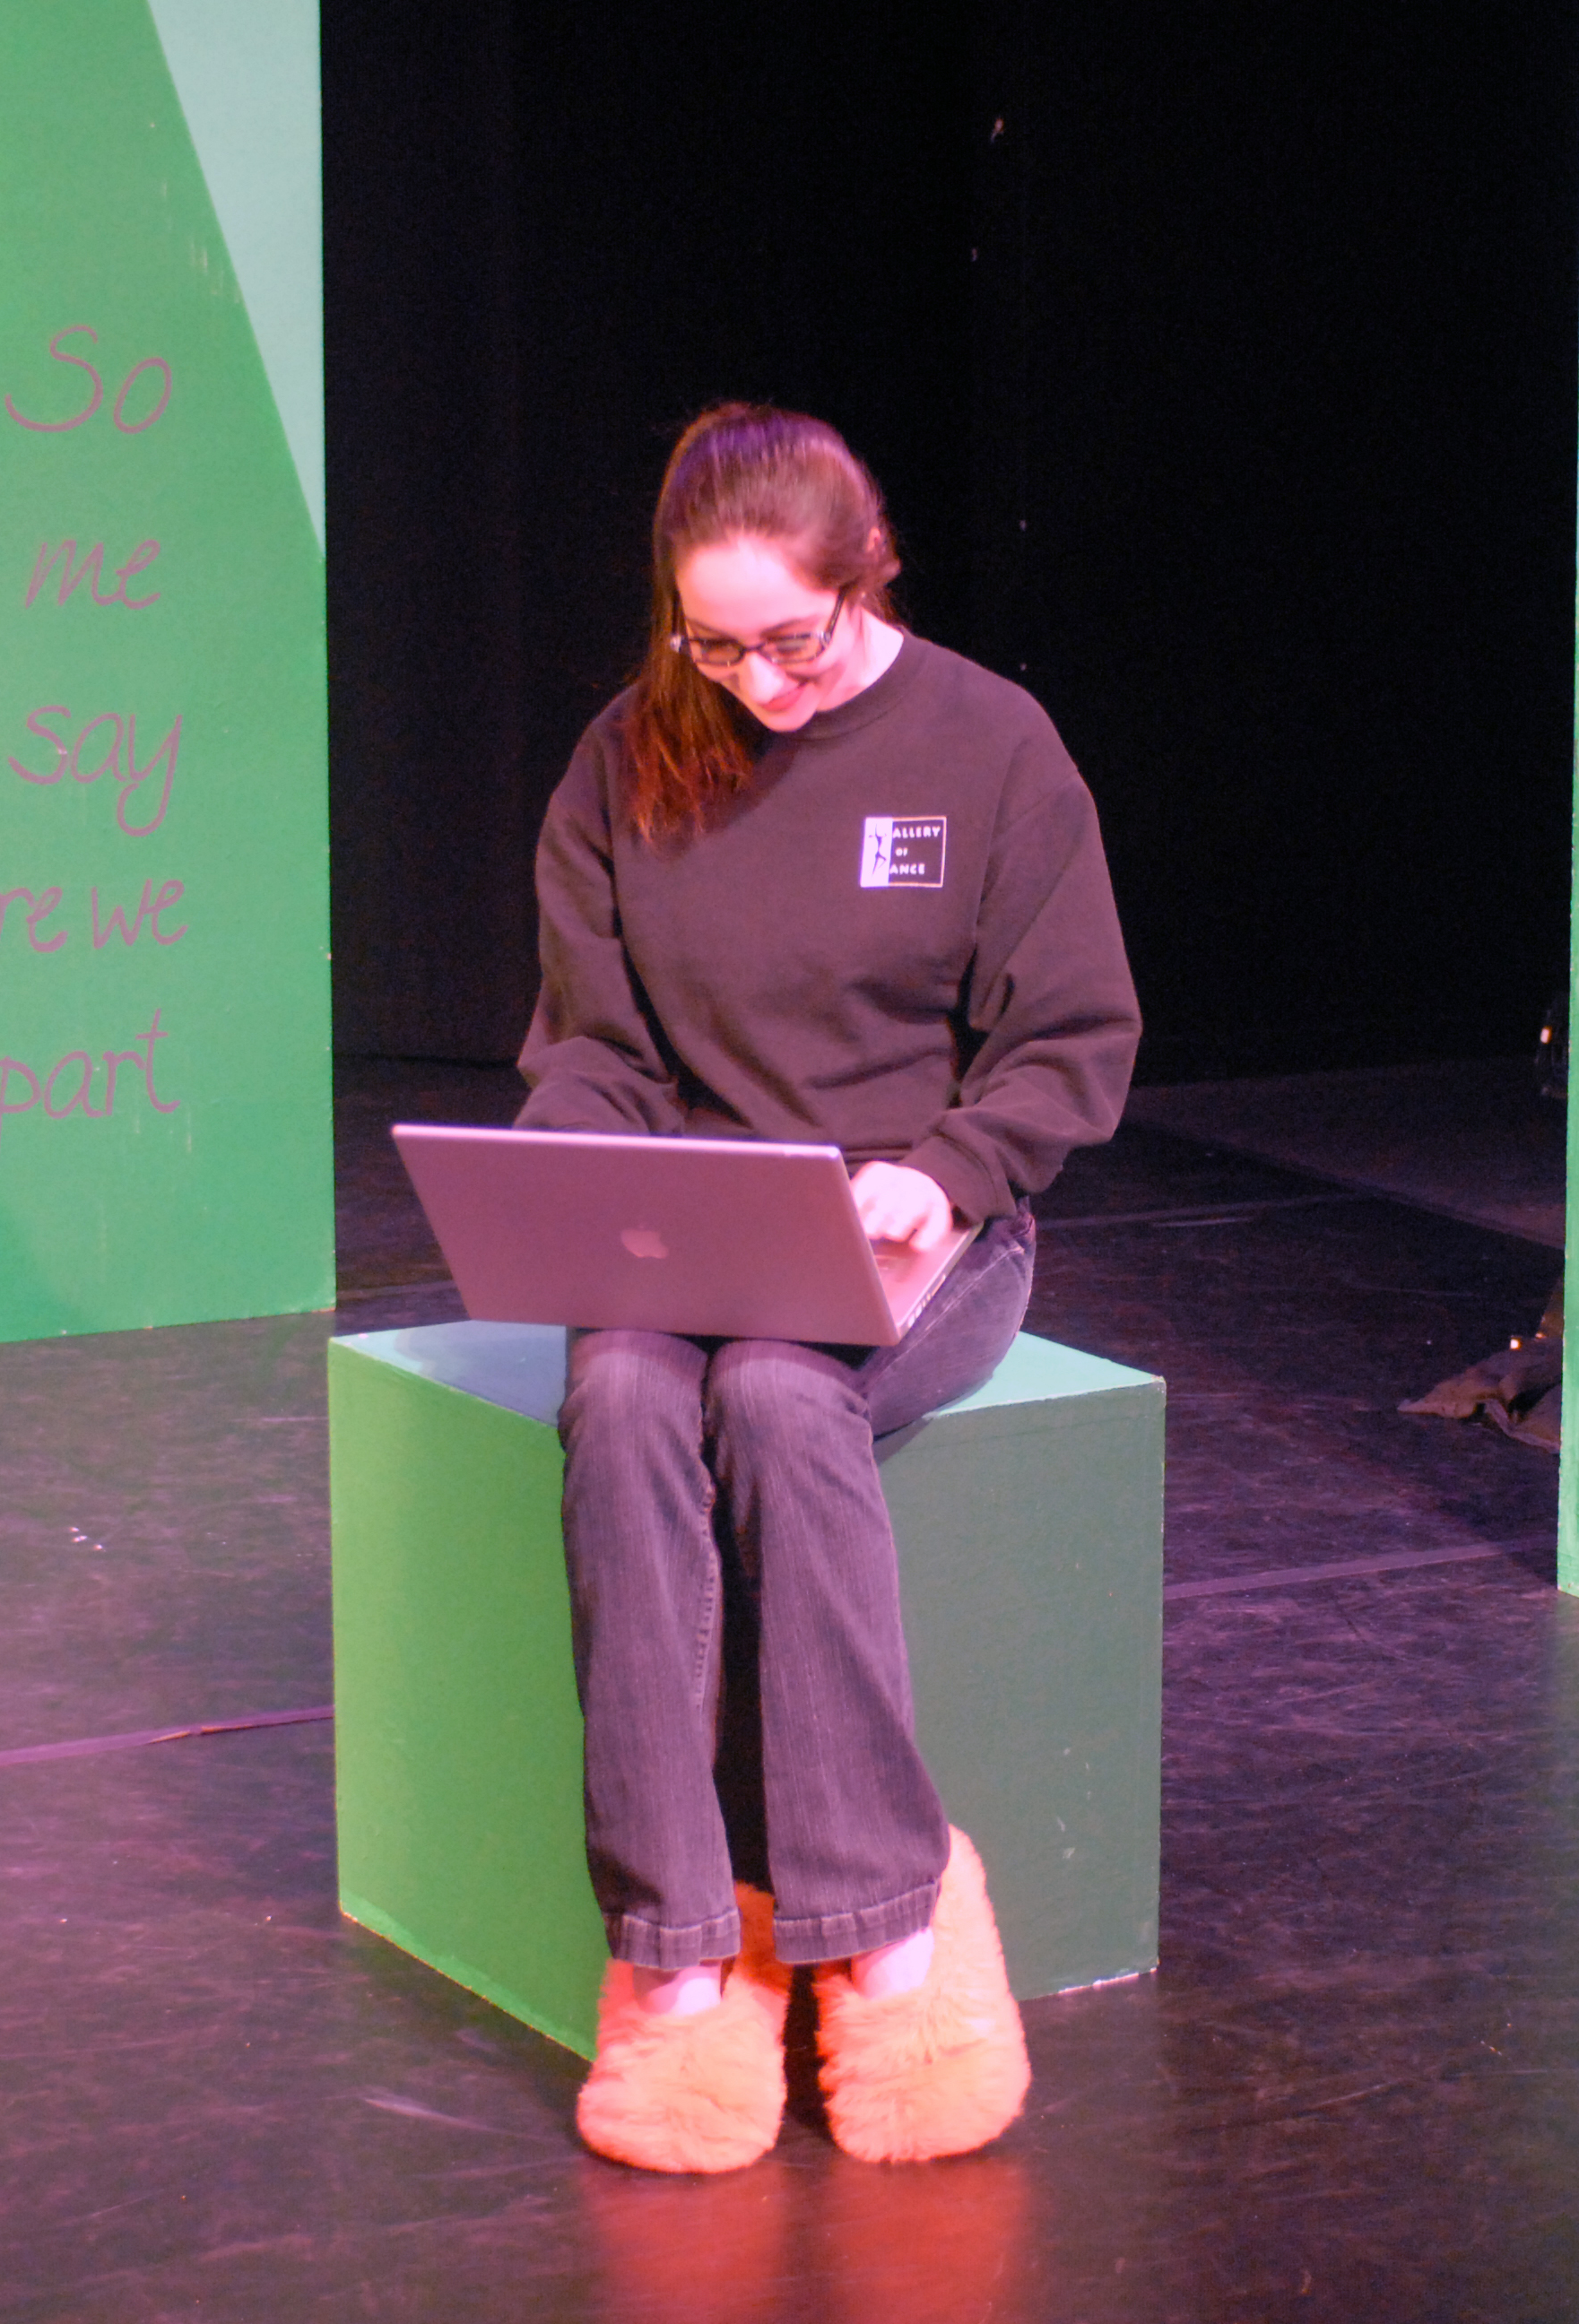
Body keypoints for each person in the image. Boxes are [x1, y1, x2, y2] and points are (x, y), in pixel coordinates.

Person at [516, 403, 1140, 2172]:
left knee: (784, 1392)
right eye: (710, 647)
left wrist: (945, 1173)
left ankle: (886, 1930)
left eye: (789, 641)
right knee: (623, 1392)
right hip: (696, 1224)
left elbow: (1070, 1040)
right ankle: (676, 1956)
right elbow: (592, 1045)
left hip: (922, 1228)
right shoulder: (630, 757)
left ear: (870, 576)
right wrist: (587, 1176)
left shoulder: (991, 746)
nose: (755, 685)